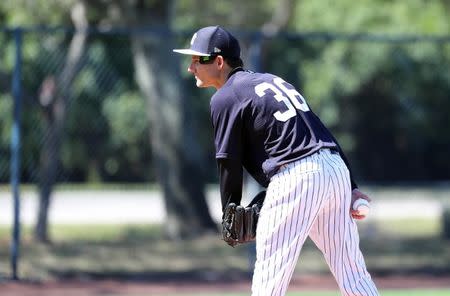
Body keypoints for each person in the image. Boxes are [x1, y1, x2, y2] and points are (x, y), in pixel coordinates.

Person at [173, 25, 379, 296]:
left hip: (297, 176)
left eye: (197, 59)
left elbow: (228, 161)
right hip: (333, 168)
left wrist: (229, 211)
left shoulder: (225, 97)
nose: (191, 67)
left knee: (269, 278)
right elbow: (321, 131)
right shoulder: (271, 81)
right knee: (352, 273)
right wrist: (350, 186)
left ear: (219, 61)